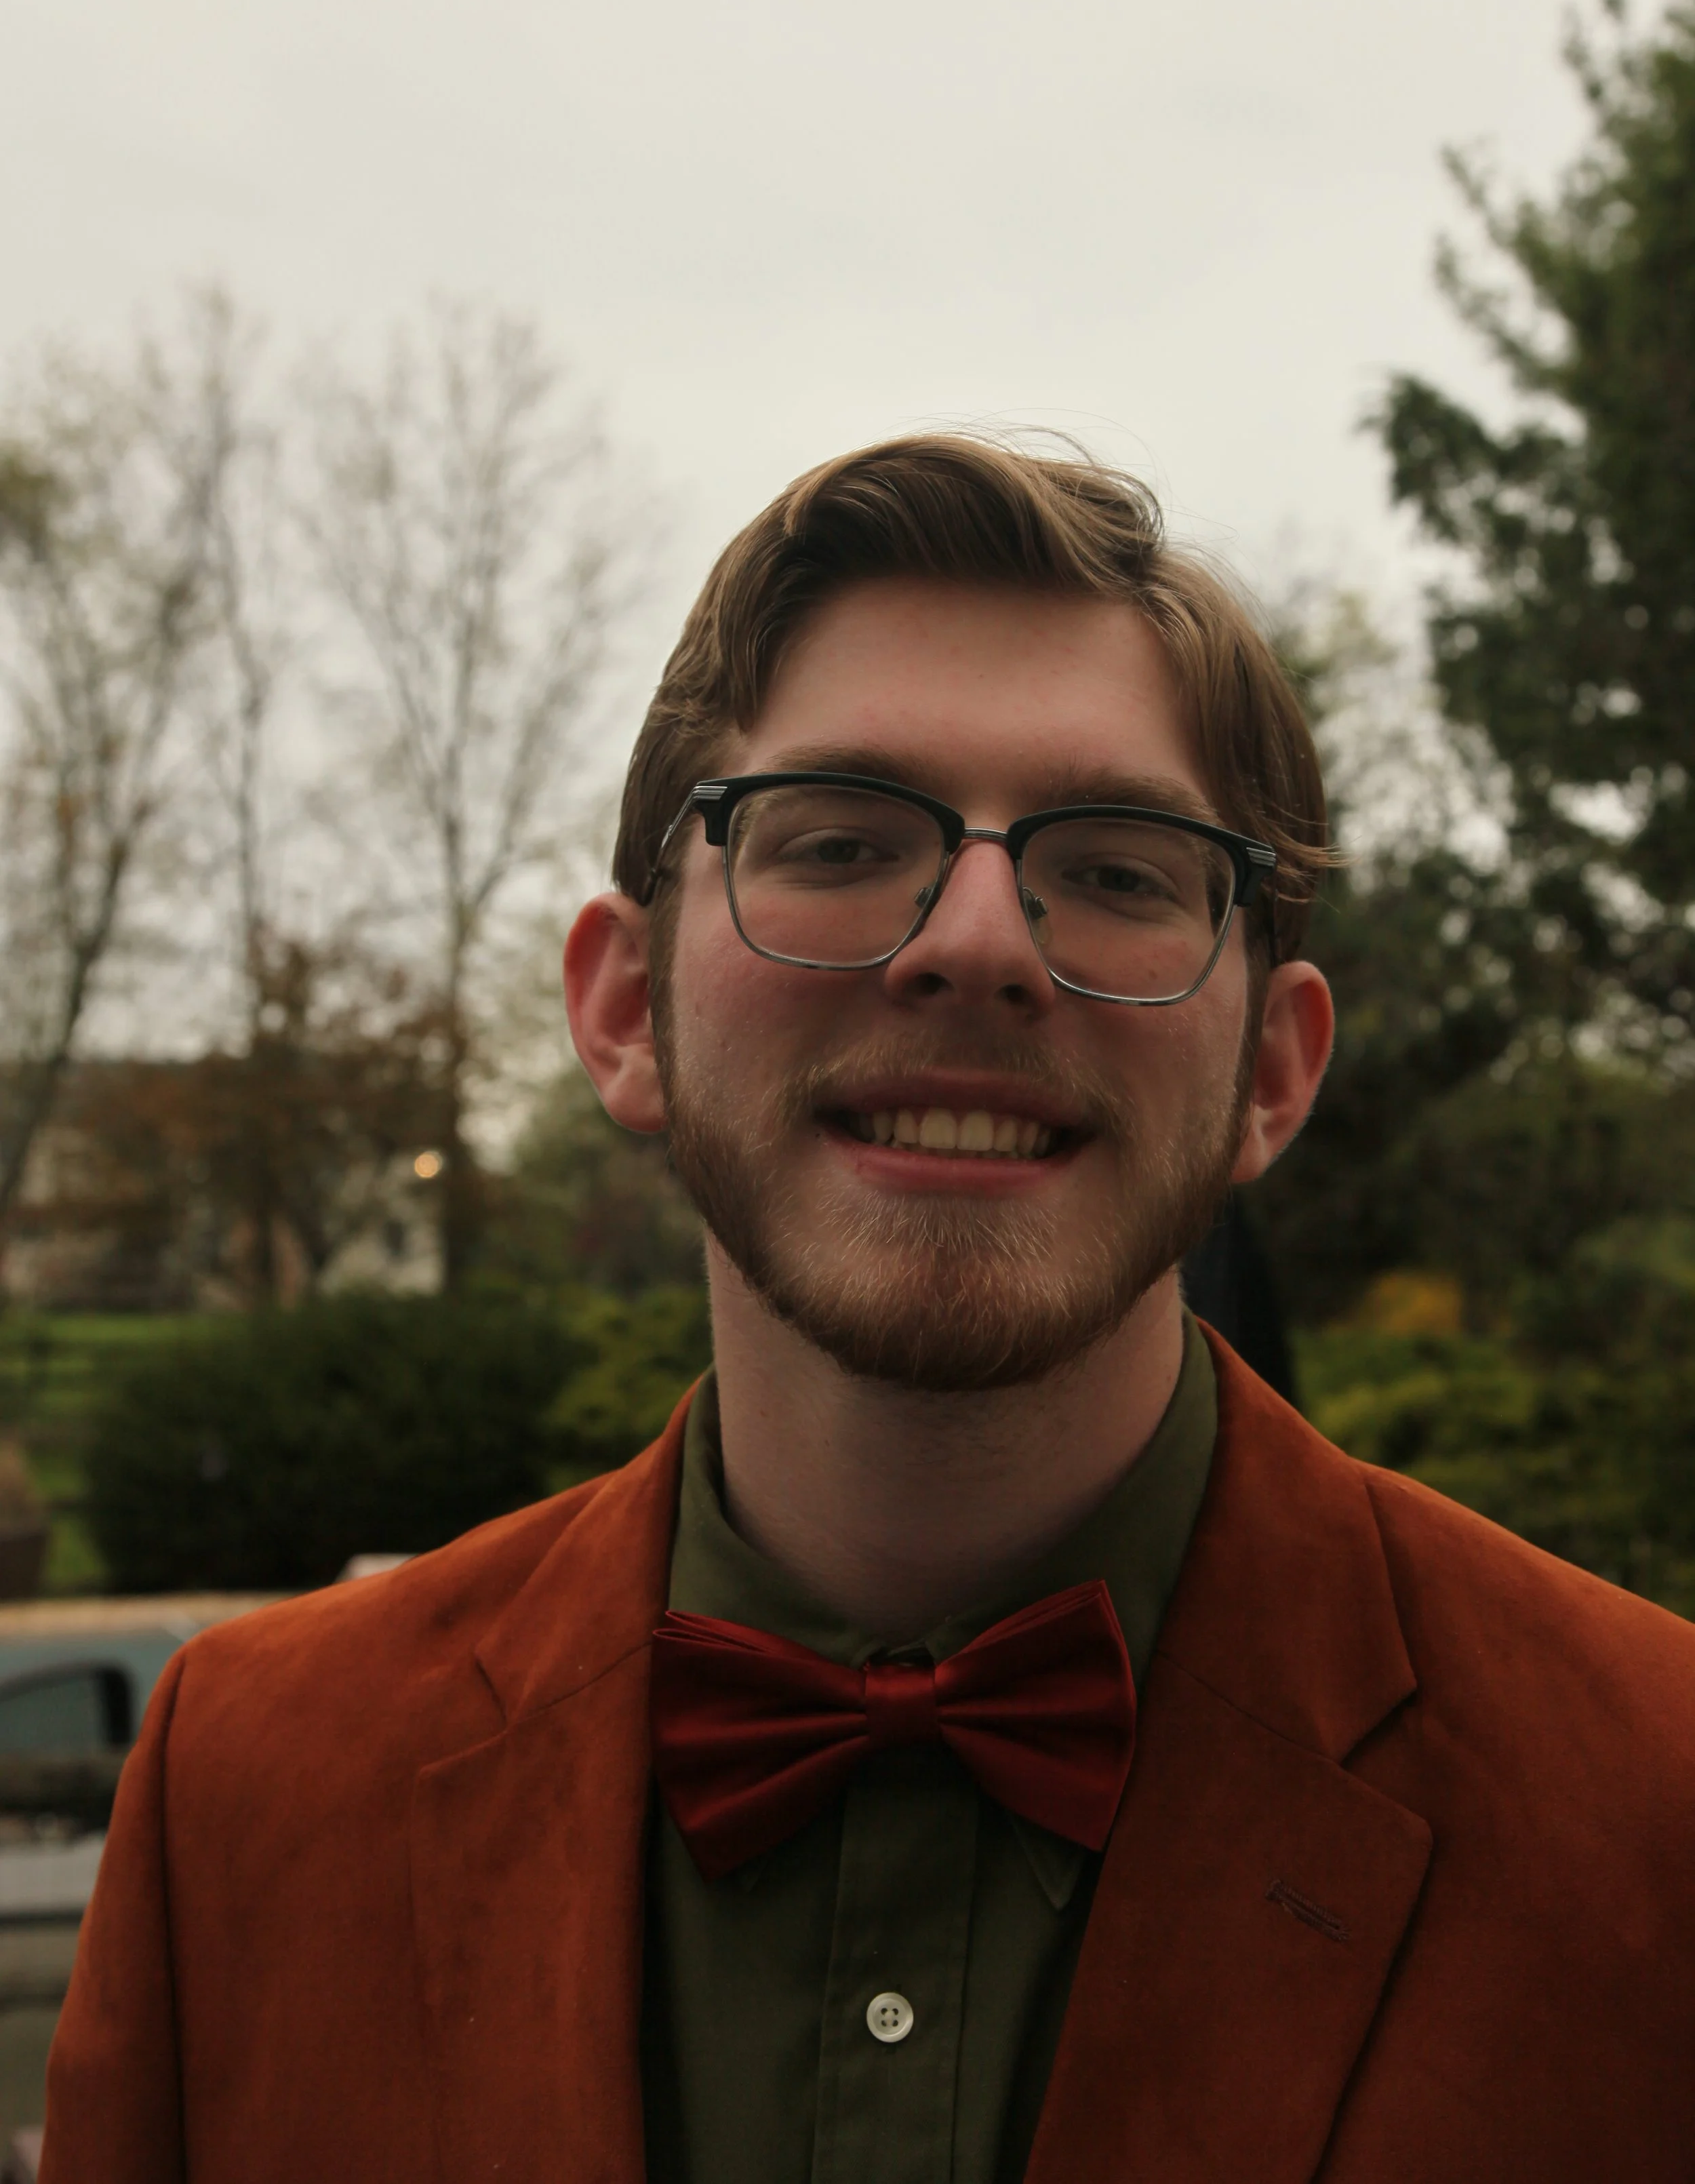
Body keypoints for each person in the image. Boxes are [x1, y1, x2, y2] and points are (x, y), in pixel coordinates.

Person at [45, 437, 1695, 2183]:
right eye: (836, 838)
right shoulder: (241, 1797)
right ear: (622, 1012)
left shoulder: (1652, 1812)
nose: (975, 937)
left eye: (1120, 870)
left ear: (1270, 1076)